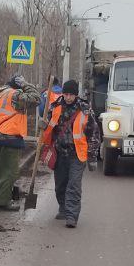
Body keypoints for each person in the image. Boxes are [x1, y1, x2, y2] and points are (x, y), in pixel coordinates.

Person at [0, 74, 40, 212]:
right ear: (18, 86)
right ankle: (3, 201)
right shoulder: (15, 95)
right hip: (9, 138)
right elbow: (36, 98)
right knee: (8, 173)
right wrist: (25, 84)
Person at [42, 80, 93, 228]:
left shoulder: (85, 109)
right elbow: (48, 125)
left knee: (73, 185)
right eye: (66, 94)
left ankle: (72, 216)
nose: (68, 97)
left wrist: (92, 155)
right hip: (59, 153)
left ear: (76, 95)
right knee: (60, 184)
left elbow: (93, 133)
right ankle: (63, 208)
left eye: (71, 94)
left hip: (77, 154)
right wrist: (43, 125)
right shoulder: (55, 107)